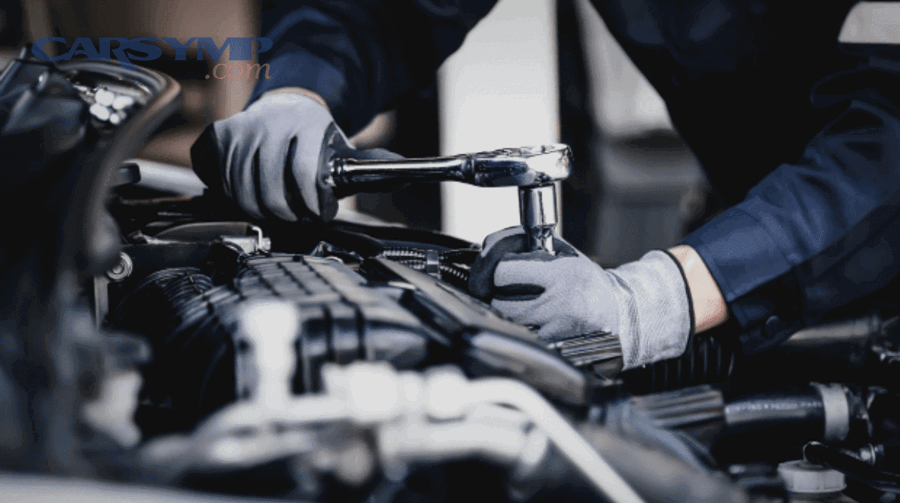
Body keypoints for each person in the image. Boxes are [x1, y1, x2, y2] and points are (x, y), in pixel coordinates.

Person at [191, 0, 900, 371]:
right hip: (756, 242)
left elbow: (892, 137)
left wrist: (663, 298)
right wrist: (303, 90)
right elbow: (393, 6)